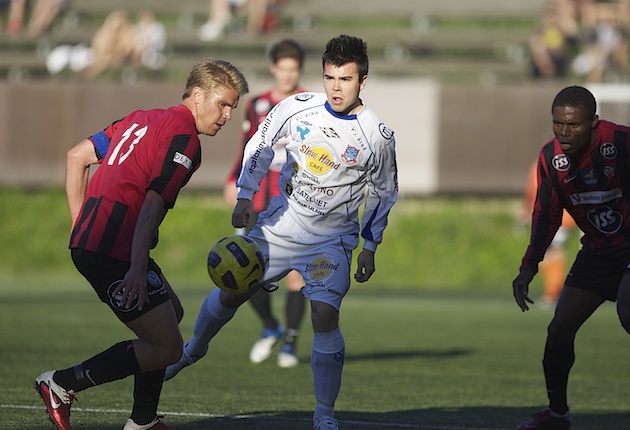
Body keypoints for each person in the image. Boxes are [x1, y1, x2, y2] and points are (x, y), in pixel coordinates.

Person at [165, 34, 398, 430]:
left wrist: (370, 246)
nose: (336, 87)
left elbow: (383, 192)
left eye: (345, 79)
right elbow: (260, 143)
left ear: (363, 80)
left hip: (332, 241)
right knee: (233, 290)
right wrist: (245, 195)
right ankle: (191, 350)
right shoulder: (297, 108)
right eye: (329, 78)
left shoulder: (377, 135)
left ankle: (324, 415)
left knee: (324, 316)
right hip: (280, 226)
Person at [33, 58, 248, 430]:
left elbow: (77, 156)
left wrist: (80, 225)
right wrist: (135, 268)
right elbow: (151, 204)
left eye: (232, 107)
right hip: (113, 251)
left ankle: (144, 420)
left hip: (101, 242)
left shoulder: (140, 118)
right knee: (168, 347)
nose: (227, 115)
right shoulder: (185, 139)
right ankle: (61, 383)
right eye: (223, 104)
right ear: (197, 95)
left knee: (173, 314)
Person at [512, 85, 630, 430]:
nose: (564, 133)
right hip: (599, 251)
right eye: (558, 124)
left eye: (573, 125)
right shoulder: (550, 159)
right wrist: (528, 267)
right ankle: (557, 415)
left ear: (594, 123)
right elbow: (546, 215)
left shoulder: (625, 141)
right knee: (559, 329)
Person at [223, 39, 307, 368]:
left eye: (293, 69)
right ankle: (271, 327)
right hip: (259, 199)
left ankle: (289, 344)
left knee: (295, 275)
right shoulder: (257, 104)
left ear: (299, 71)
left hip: (296, 202)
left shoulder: (311, 105)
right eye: (282, 68)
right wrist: (235, 179)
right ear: (274, 68)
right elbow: (248, 147)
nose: (287, 74)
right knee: (249, 271)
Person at [517, 160, 576, 305]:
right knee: (549, 253)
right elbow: (532, 191)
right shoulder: (539, 166)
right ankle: (554, 291)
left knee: (553, 251)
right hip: (549, 215)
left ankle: (554, 292)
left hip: (559, 216)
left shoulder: (539, 165)